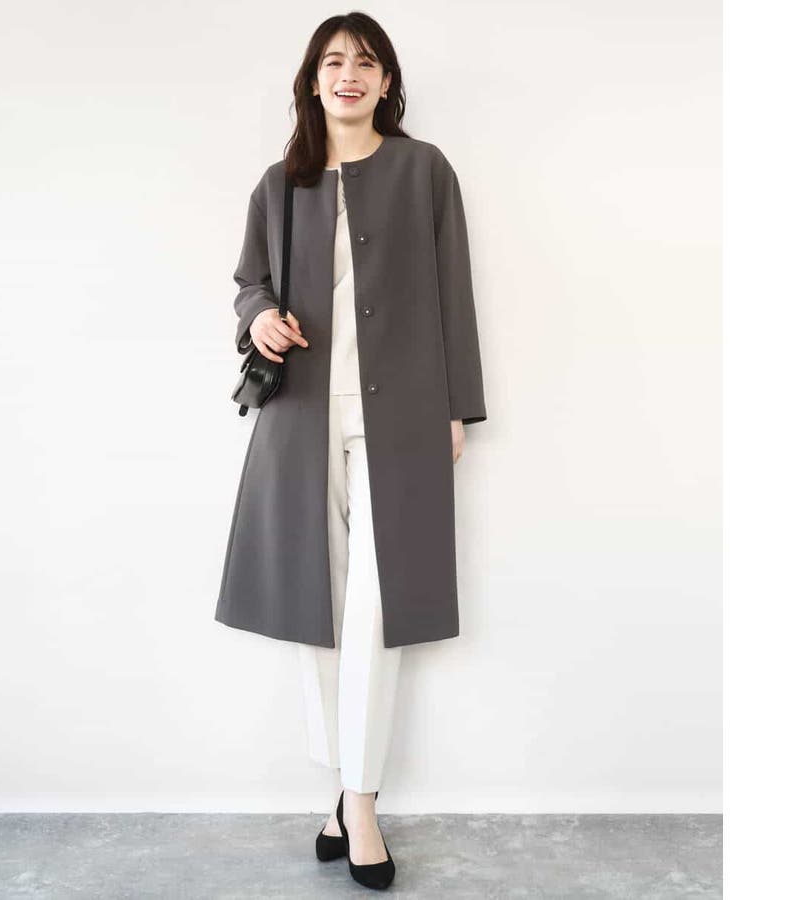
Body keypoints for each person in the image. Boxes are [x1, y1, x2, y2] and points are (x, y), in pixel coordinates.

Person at [216, 11, 487, 891]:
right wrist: (260, 315)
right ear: (311, 81)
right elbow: (249, 282)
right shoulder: (279, 183)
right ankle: (345, 789)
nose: (349, 74)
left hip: (400, 415)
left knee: (378, 604)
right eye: (334, 61)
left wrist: (458, 408)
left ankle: (359, 802)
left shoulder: (423, 169)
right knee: (317, 604)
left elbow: (453, 291)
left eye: (366, 62)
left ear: (387, 81)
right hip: (299, 417)